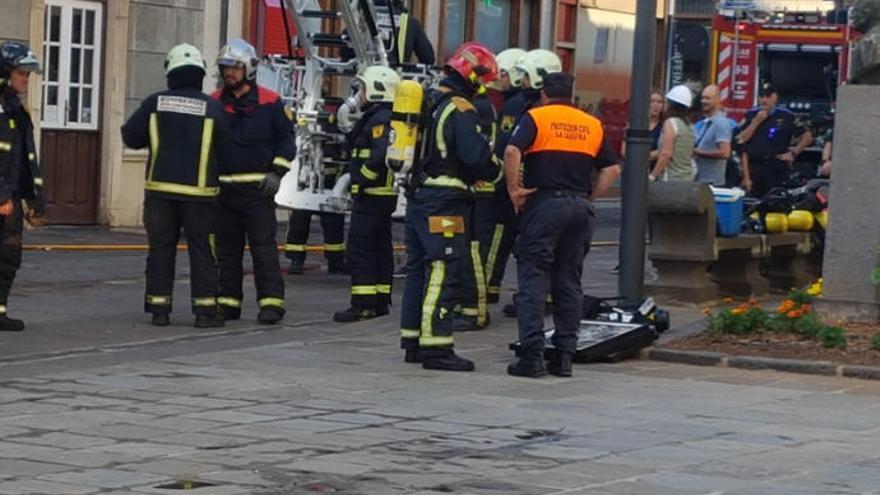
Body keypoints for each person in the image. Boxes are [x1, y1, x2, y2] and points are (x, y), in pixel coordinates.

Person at [504, 72, 620, 377]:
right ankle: (564, 355)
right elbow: (611, 169)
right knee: (569, 281)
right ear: (572, 95)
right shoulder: (591, 124)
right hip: (579, 207)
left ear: (544, 95)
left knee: (533, 277)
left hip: (545, 205)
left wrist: (514, 190)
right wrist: (589, 196)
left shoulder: (537, 117)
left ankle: (531, 356)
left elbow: (512, 150)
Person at [398, 42, 499, 372]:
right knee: (445, 267)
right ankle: (437, 348)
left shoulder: (428, 100)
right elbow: (476, 158)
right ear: (473, 77)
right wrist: (496, 169)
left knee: (416, 270)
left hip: (417, 197)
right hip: (445, 202)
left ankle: (412, 341)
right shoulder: (460, 108)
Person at [121, 43, 227, 328]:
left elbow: (130, 137)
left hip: (160, 193)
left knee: (160, 249)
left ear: (170, 72)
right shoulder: (214, 108)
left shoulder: (154, 103)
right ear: (200, 74)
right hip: (201, 195)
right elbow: (227, 149)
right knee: (202, 250)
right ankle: (205, 312)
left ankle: (159, 310)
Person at [211, 39, 294, 324]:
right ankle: (228, 302)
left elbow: (286, 141)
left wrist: (277, 173)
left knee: (263, 249)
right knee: (227, 251)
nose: (228, 73)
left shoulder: (271, 102)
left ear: (248, 68)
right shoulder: (214, 102)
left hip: (258, 191)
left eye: (234, 67)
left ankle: (271, 304)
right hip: (224, 191)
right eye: (225, 68)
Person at [498, 49, 563, 317]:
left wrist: (514, 184)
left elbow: (510, 148)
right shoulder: (561, 111)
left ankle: (533, 300)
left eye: (525, 75)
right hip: (554, 188)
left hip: (534, 190)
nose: (520, 80)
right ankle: (546, 298)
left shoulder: (531, 111)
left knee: (533, 250)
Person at [332, 66, 400, 322]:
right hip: (380, 196)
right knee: (380, 247)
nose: (359, 94)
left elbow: (379, 155)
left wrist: (362, 179)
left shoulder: (380, 119)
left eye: (362, 88)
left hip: (372, 195)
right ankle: (380, 300)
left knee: (360, 248)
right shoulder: (379, 116)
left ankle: (362, 304)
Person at [473, 48, 526, 305]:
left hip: (505, 187)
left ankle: (486, 291)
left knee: (494, 239)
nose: (499, 79)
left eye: (503, 73)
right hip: (519, 184)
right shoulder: (519, 102)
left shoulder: (514, 105)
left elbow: (505, 145)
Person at [0, 41, 46, 332]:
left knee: (8, 256)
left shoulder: (18, 111)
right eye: (21, 73)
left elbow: (26, 159)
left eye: (28, 75)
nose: (26, 79)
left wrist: (35, 201)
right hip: (4, 196)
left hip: (12, 195)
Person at [737, 82, 813, 197]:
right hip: (754, 167)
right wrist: (756, 122)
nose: (764, 100)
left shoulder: (787, 116)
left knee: (776, 201)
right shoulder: (751, 115)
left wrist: (793, 153)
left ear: (775, 97)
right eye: (762, 97)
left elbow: (808, 137)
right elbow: (740, 140)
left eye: (768, 96)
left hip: (776, 167)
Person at [650, 85, 695, 182]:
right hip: (687, 178)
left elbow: (666, 154)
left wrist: (653, 176)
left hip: (670, 178)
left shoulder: (671, 123)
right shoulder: (690, 126)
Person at [693, 85, 733, 185]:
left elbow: (725, 153)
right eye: (702, 98)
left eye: (707, 98)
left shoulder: (721, 123)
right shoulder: (704, 122)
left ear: (718, 99)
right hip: (700, 180)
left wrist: (698, 152)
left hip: (712, 182)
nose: (703, 101)